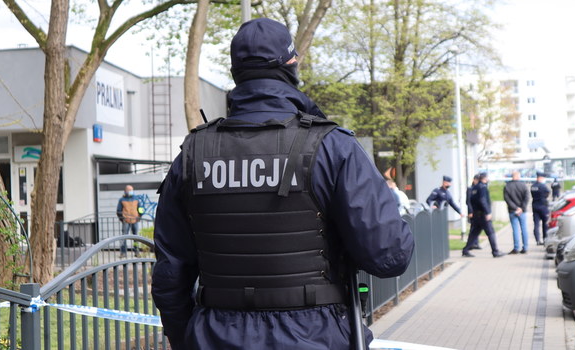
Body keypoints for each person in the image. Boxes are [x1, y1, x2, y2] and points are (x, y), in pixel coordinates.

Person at [151, 18, 414, 350]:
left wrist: (186, 336)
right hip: (314, 336)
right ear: (291, 65)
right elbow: (388, 255)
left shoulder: (192, 155)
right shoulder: (333, 147)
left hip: (215, 335)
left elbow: (170, 274)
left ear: (236, 72)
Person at [462, 173, 505, 258]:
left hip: (476, 215)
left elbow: (471, 201)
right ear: (485, 178)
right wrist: (488, 212)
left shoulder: (474, 187)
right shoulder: (483, 187)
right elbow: (482, 200)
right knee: (491, 232)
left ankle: (465, 250)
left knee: (474, 233)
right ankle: (495, 251)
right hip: (483, 215)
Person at [503, 171, 530, 254]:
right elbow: (527, 197)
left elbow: (507, 199)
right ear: (519, 176)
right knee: (524, 228)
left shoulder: (507, 186)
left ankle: (516, 248)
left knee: (515, 229)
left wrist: (515, 208)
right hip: (522, 211)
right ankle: (525, 247)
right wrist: (521, 208)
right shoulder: (523, 185)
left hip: (512, 211)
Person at [116, 185, 143, 257]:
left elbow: (140, 208)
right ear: (125, 191)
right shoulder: (121, 200)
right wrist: (122, 219)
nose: (131, 191)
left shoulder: (136, 198)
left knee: (136, 237)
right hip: (126, 221)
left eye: (132, 190)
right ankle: (123, 252)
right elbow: (118, 211)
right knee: (124, 237)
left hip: (135, 220)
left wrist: (139, 216)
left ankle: (136, 252)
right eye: (129, 190)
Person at [531, 171, 550, 245]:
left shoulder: (533, 186)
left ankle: (537, 240)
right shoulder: (543, 186)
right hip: (543, 206)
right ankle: (545, 239)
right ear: (541, 178)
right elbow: (547, 193)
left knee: (536, 224)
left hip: (535, 205)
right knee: (545, 224)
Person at [466, 174, 482, 250]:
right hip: (472, 211)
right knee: (473, 228)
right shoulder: (470, 189)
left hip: (478, 212)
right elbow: (468, 201)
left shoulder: (478, 188)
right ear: (474, 180)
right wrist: (470, 211)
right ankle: (472, 244)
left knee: (476, 228)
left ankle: (475, 243)